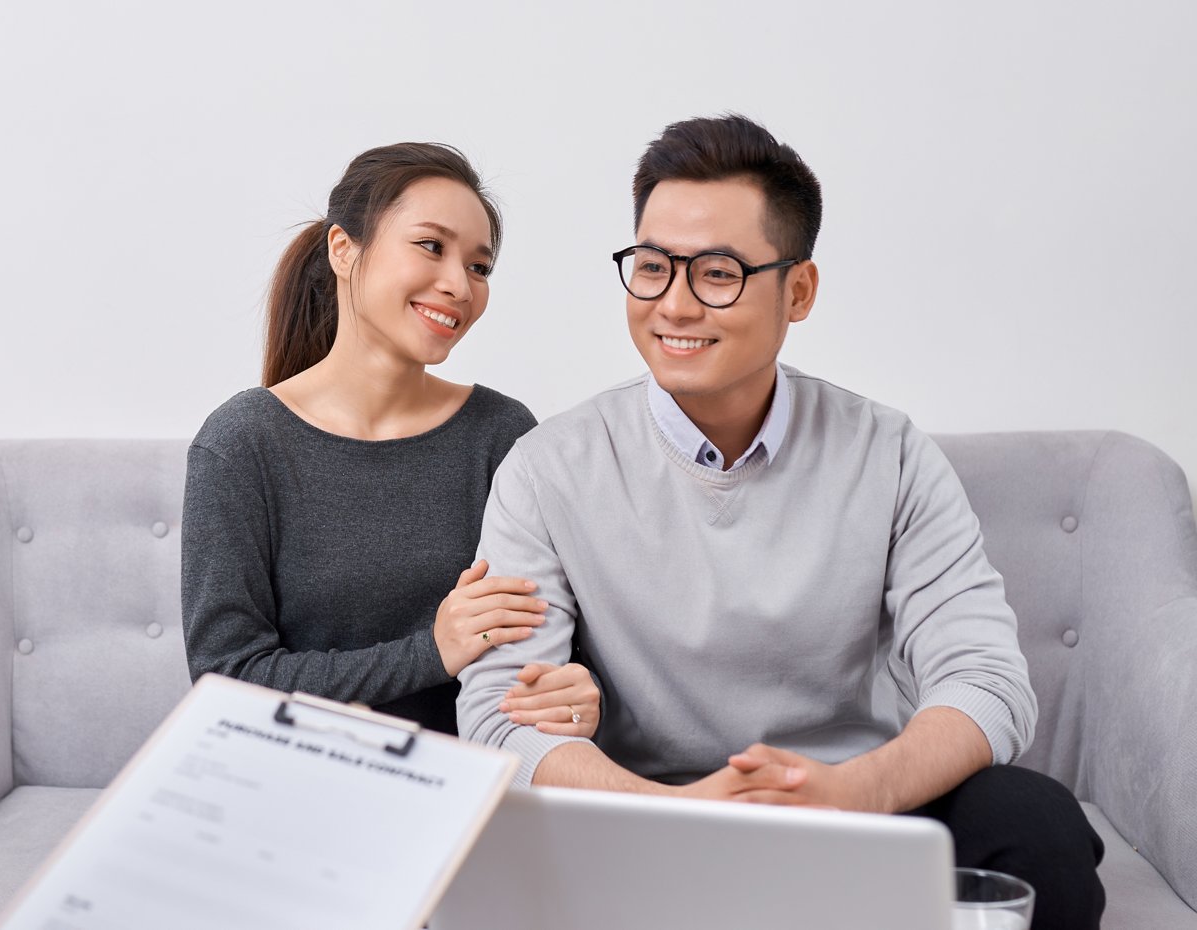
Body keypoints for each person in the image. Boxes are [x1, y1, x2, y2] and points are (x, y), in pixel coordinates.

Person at [458, 116, 1105, 930]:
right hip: (649, 821)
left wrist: (853, 794)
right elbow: (497, 717)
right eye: (652, 268)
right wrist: (678, 813)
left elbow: (988, 681)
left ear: (797, 291)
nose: (675, 305)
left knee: (1037, 826)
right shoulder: (548, 469)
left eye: (719, 273)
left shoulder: (887, 451)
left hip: (857, 810)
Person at [182, 142, 600, 740]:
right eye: (431, 246)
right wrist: (431, 653)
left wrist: (580, 691)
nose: (459, 284)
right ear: (344, 250)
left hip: (474, 784)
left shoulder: (500, 434)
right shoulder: (242, 444)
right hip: (299, 781)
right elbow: (226, 679)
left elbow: (551, 637)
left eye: (480, 267)